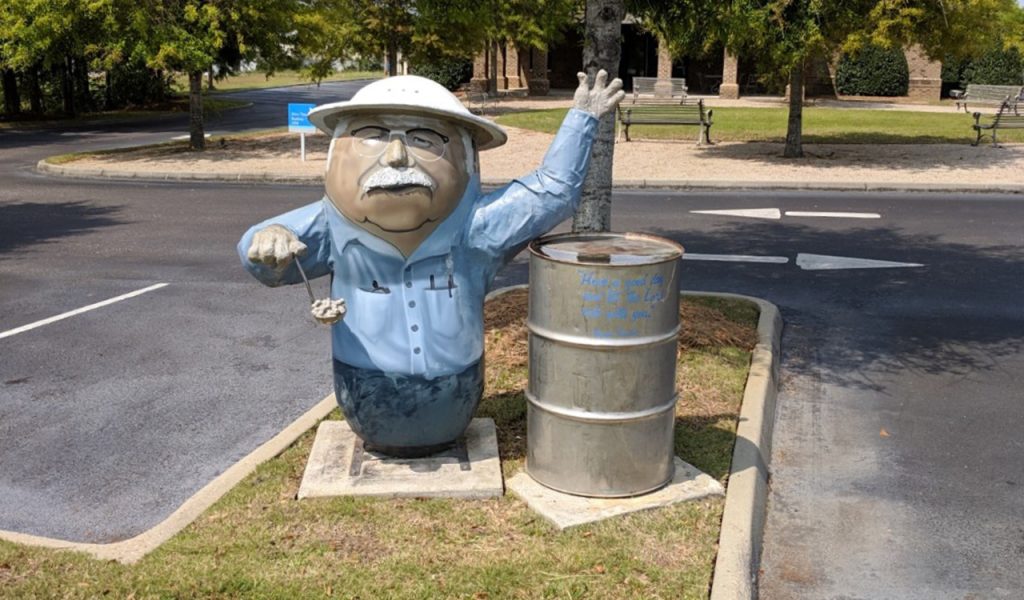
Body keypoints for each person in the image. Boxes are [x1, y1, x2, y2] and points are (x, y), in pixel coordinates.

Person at [239, 71, 624, 457]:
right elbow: (266, 254)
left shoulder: (477, 230)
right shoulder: (329, 229)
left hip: (456, 388)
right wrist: (267, 240)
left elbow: (553, 190)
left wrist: (582, 118)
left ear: (467, 161)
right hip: (363, 387)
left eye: (424, 140)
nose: (396, 156)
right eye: (372, 136)